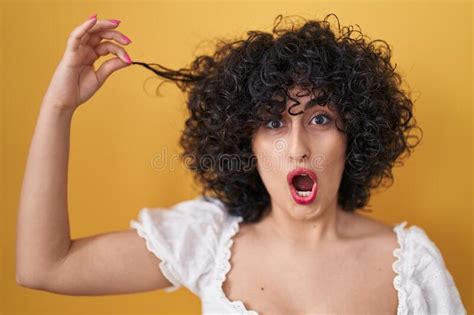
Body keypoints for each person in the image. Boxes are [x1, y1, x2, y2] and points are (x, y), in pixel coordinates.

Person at [15, 12, 466, 315]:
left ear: (355, 137)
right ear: (243, 140)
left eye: (321, 118)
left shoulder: (410, 264)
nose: (296, 147)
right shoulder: (209, 240)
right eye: (273, 121)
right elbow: (44, 267)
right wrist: (59, 109)